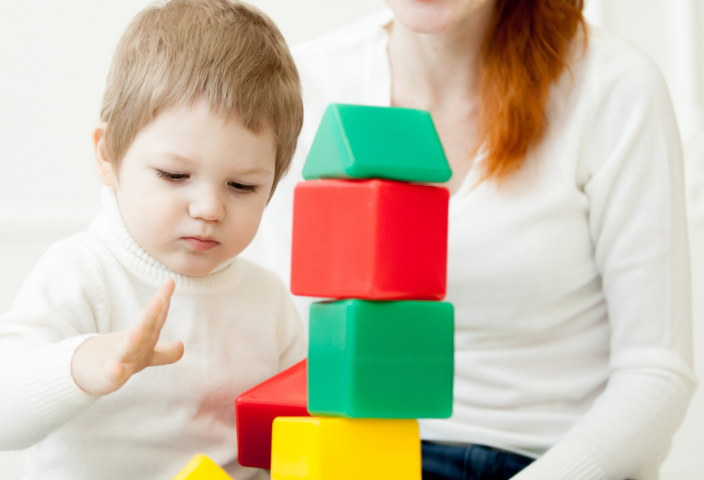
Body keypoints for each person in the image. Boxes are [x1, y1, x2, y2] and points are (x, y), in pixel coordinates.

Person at [260, 0, 696, 479]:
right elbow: (300, 346)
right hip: (371, 456)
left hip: (547, 460)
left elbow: (656, 374)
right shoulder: (310, 83)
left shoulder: (613, 87)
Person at [0, 1, 305, 479]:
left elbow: (299, 437)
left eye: (242, 186)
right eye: (175, 174)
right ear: (107, 154)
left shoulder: (268, 302)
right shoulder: (84, 274)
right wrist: (84, 365)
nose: (209, 208)